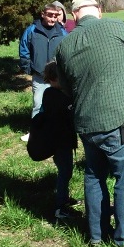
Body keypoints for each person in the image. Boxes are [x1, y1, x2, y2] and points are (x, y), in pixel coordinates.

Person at [55, 0, 124, 246]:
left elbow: (64, 86)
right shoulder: (117, 26)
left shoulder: (64, 45)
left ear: (74, 16)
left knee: (94, 176)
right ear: (99, 11)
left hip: (85, 122)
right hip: (117, 119)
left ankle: (96, 236)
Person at [19, 3, 67, 141]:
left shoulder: (62, 32)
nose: (53, 19)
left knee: (58, 105)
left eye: (55, 16)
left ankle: (56, 132)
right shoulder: (32, 30)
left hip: (57, 77)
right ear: (42, 14)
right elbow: (24, 49)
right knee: (38, 104)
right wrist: (29, 68)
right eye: (50, 15)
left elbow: (67, 51)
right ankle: (35, 133)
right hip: (39, 76)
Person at [40, 61, 81, 219]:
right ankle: (60, 207)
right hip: (60, 141)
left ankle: (64, 198)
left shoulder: (55, 94)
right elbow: (65, 112)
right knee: (65, 171)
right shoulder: (52, 95)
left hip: (64, 140)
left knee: (66, 171)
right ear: (53, 79)